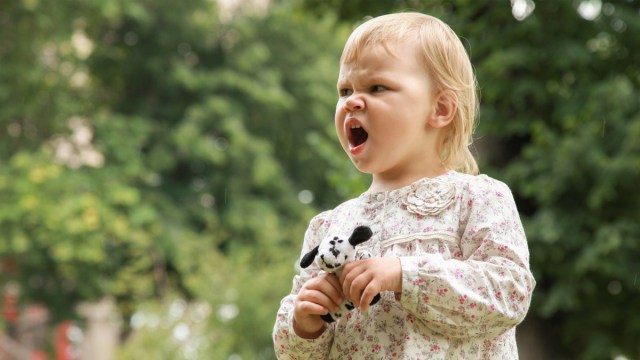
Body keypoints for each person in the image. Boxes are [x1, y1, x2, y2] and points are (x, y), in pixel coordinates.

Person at [273, 12, 535, 359]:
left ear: (440, 108)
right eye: (345, 90)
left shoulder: (476, 198)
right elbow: (296, 353)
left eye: (376, 87)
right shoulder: (328, 228)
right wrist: (305, 324)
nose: (351, 101)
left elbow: (509, 294)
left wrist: (405, 274)